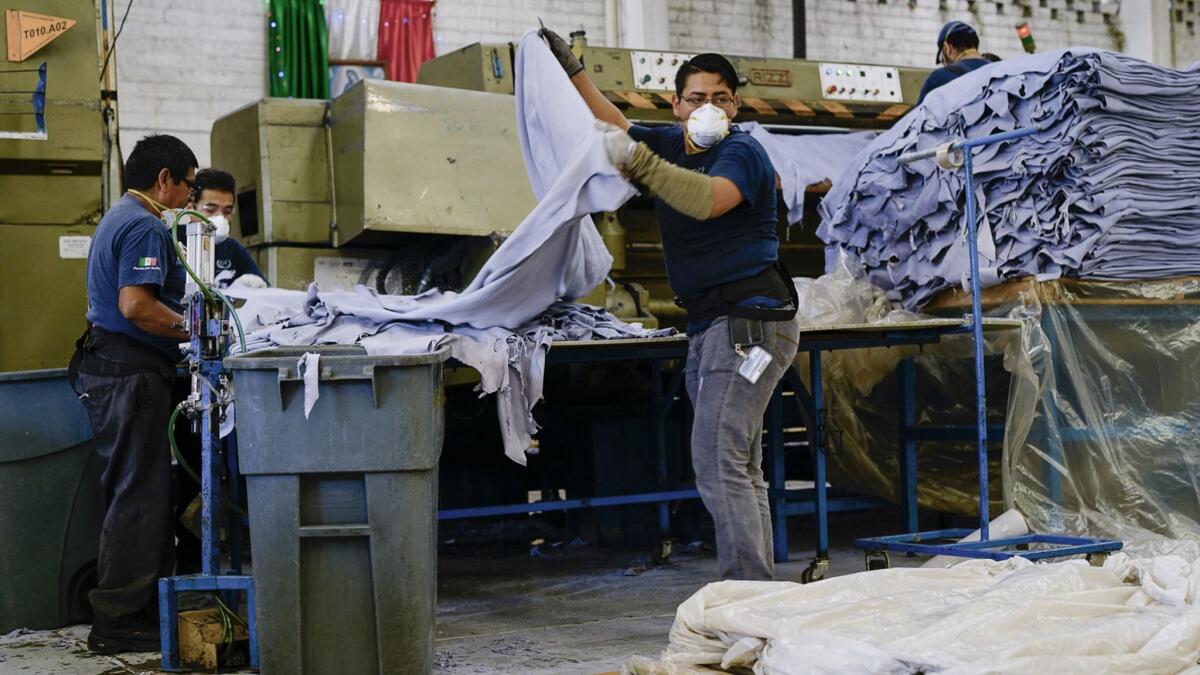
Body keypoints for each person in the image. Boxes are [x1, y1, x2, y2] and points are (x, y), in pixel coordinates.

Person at [540, 28, 801, 580]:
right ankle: (758, 593)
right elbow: (613, 121)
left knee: (715, 456)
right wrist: (572, 72)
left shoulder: (741, 152)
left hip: (751, 323)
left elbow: (705, 201)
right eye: (698, 98)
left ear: (738, 105)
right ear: (676, 104)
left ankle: (745, 593)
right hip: (712, 324)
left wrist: (637, 165)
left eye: (722, 97)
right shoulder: (669, 141)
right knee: (739, 464)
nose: (709, 108)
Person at [70, 134, 197, 654]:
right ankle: (120, 623)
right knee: (140, 498)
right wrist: (193, 329)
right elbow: (136, 306)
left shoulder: (119, 214)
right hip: (131, 375)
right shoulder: (145, 223)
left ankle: (134, 610)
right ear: (164, 178)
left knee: (133, 492)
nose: (191, 196)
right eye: (189, 184)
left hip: (113, 370)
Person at [183, 169, 266, 289]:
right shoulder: (174, 241)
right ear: (191, 209)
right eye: (210, 210)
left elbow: (265, 292)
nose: (220, 218)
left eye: (227, 211)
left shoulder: (232, 250)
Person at [917, 20, 992, 104]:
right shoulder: (1000, 73)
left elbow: (919, 115)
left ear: (947, 48)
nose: (944, 64)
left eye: (942, 60)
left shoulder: (938, 78)